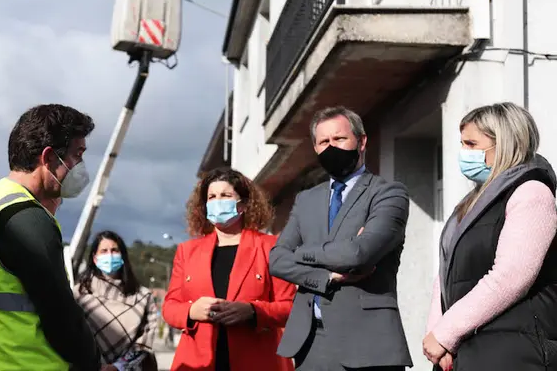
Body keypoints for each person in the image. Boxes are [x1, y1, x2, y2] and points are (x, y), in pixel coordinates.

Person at [0, 104, 101, 371]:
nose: (81, 166)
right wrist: (94, 363)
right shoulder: (27, 219)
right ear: (49, 157)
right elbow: (62, 319)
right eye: (78, 155)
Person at [269, 106, 412, 371]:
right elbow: (277, 260)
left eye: (340, 139)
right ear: (315, 148)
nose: (332, 147)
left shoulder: (389, 194)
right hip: (310, 344)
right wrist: (327, 277)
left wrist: (300, 253)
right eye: (324, 142)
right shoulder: (306, 199)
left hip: (367, 345)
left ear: (362, 141)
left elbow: (358, 254)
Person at [423, 102, 557, 371]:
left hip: (514, 351)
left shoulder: (531, 193)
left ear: (505, 144)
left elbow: (512, 275)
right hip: (469, 349)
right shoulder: (471, 204)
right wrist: (438, 336)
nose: (463, 153)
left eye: (471, 144)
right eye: (462, 144)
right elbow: (446, 274)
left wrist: (446, 332)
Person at [163, 167, 296, 371]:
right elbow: (170, 307)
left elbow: (290, 307)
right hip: (198, 362)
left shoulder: (271, 246)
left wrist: (253, 311)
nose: (218, 201)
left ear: (242, 204)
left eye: (225, 195)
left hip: (257, 361)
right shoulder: (186, 251)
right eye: (212, 197)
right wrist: (191, 311)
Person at [74, 231, 159, 371]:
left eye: (114, 250)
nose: (110, 255)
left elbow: (145, 340)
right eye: (104, 251)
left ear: (122, 255)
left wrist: (118, 366)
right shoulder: (78, 294)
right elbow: (72, 334)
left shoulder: (142, 297)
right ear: (95, 258)